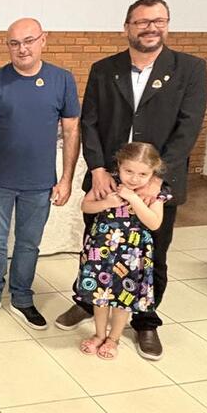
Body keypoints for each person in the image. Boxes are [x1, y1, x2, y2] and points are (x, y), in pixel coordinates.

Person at [54, 0, 207, 361]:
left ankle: (145, 320)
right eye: (142, 22)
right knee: (94, 249)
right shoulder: (105, 69)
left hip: (157, 182)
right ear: (127, 27)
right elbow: (89, 122)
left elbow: (188, 128)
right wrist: (96, 170)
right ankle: (88, 300)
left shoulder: (189, 68)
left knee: (152, 255)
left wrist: (158, 177)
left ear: (167, 24)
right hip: (107, 178)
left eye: (159, 20)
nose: (151, 27)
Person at [0, 18, 80, 329]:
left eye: (29, 41)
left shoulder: (61, 80)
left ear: (43, 40)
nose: (22, 48)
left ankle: (22, 298)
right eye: (15, 43)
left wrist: (66, 179)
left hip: (39, 183)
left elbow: (72, 129)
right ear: (7, 45)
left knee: (28, 243)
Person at [77, 142, 169, 360]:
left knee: (123, 297)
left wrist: (135, 199)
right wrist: (107, 202)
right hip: (102, 250)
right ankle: (99, 334)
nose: (135, 178)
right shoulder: (108, 183)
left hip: (132, 255)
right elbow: (85, 205)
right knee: (100, 295)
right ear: (119, 165)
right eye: (129, 171)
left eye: (143, 174)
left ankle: (114, 338)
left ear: (153, 173)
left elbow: (155, 223)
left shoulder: (155, 194)